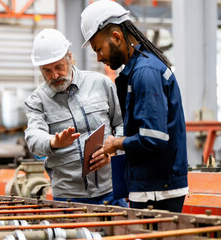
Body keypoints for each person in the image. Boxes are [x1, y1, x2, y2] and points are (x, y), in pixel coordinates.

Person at [80, 0, 188, 213]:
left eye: (99, 49)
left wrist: (116, 143)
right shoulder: (139, 70)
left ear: (116, 37)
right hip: (152, 186)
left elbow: (154, 137)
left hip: (156, 190)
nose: (99, 57)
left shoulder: (145, 72)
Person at [24, 28, 128, 207]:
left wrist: (112, 151)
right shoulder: (37, 100)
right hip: (68, 197)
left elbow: (121, 123)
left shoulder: (101, 83)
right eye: (46, 71)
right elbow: (33, 137)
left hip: (111, 189)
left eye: (59, 67)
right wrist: (53, 142)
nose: (54, 76)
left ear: (69, 58)